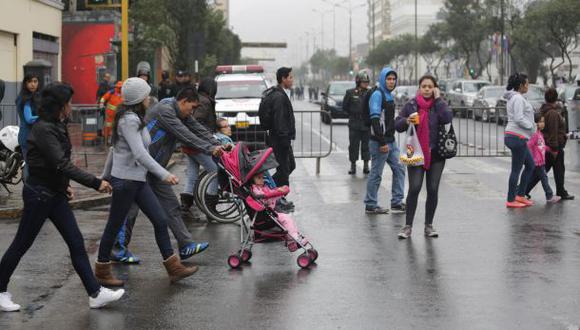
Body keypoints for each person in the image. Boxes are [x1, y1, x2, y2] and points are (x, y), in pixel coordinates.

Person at [0, 83, 124, 311]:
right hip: (39, 195)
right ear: (58, 106)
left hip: (53, 193)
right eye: (68, 103)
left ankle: (95, 293)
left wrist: (64, 186)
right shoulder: (44, 129)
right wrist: (96, 183)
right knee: (21, 244)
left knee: (76, 242)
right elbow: (60, 162)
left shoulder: (56, 124)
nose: (71, 106)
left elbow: (55, 165)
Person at [97, 78, 197, 286]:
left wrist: (105, 176)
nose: (150, 99)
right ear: (139, 98)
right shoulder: (129, 120)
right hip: (125, 181)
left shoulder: (134, 118)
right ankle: (102, 270)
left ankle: (173, 267)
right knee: (114, 225)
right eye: (147, 95)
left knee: (160, 220)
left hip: (137, 180)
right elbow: (140, 154)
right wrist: (164, 174)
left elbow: (116, 150)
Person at [111, 87, 222, 263]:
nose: (192, 112)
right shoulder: (166, 111)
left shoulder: (180, 113)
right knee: (130, 210)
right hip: (141, 168)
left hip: (156, 169)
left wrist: (217, 143)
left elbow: (196, 128)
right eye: (191, 108)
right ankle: (117, 250)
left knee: (171, 206)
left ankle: (186, 245)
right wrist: (210, 148)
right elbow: (185, 135)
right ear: (183, 101)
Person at [395, 75, 452, 239]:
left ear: (434, 88)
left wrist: (439, 99)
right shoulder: (411, 104)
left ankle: (428, 225)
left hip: (436, 154)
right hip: (416, 153)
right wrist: (407, 120)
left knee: (433, 189)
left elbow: (447, 117)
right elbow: (397, 125)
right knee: (415, 188)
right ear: (419, 88)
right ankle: (407, 226)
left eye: (430, 86)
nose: (427, 89)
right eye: (424, 86)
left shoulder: (439, 104)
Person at [364, 67, 406, 215]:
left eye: (394, 79)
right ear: (383, 79)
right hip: (379, 142)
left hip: (390, 140)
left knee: (400, 168)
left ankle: (397, 202)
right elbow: (375, 119)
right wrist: (382, 143)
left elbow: (388, 120)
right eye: (388, 79)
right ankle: (370, 204)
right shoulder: (377, 94)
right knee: (376, 173)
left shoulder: (389, 95)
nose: (391, 81)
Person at [526, 88, 574, 200]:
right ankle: (522, 190)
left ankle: (561, 191)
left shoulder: (545, 110)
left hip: (549, 146)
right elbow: (553, 131)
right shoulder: (552, 113)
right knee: (543, 173)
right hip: (553, 148)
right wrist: (555, 149)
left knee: (544, 172)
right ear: (556, 99)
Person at [250, 172, 307, 252]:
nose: (262, 180)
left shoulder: (265, 187)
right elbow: (265, 195)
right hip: (265, 215)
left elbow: (272, 195)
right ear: (253, 181)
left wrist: (279, 191)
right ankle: (294, 238)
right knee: (286, 219)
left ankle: (294, 237)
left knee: (288, 219)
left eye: (262, 178)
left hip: (271, 212)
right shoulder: (255, 190)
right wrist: (275, 192)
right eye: (258, 178)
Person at [502, 73, 536, 208]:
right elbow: (518, 118)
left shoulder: (517, 98)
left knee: (530, 165)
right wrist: (531, 126)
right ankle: (511, 200)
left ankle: (520, 195)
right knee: (516, 170)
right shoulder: (517, 98)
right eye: (527, 84)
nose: (528, 86)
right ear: (521, 86)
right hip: (517, 137)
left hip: (516, 136)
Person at [526, 114, 561, 203]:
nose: (542, 124)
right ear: (535, 123)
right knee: (543, 178)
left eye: (543, 121)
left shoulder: (539, 134)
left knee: (531, 178)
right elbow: (529, 145)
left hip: (540, 161)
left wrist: (549, 149)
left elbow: (541, 146)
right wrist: (531, 158)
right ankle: (549, 196)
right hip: (537, 162)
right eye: (540, 122)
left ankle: (519, 192)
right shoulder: (535, 135)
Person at [343, 71, 371, 175]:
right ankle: (353, 166)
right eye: (364, 82)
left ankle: (366, 165)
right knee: (353, 146)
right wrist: (353, 113)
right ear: (358, 81)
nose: (366, 84)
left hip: (366, 123)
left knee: (366, 145)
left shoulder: (370, 92)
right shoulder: (350, 93)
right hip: (354, 123)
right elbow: (345, 107)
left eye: (367, 82)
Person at [16, 73, 40, 177]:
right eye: (30, 82)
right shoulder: (26, 99)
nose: (33, 84)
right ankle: (29, 188)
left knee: (32, 164)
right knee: (30, 164)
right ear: (25, 83)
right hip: (27, 136)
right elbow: (29, 119)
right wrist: (44, 116)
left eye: (35, 81)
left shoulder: (29, 97)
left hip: (31, 135)